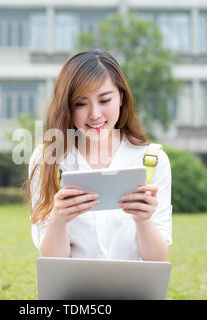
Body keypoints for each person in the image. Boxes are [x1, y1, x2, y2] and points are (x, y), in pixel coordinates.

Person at [27, 49, 172, 261]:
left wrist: (144, 220)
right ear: (67, 106)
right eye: (81, 103)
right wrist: (58, 219)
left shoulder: (152, 161)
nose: (95, 114)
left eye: (105, 100)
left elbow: (157, 259)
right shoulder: (47, 159)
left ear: (121, 98)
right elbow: (52, 259)